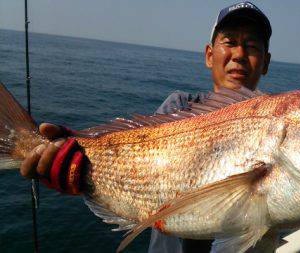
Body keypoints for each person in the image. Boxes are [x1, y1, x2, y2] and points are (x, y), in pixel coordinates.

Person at [20, 2, 272, 252]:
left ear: (266, 62)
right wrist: (73, 151)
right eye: (229, 42)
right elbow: (139, 158)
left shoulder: (276, 120)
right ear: (209, 55)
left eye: (252, 46)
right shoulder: (179, 106)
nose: (239, 54)